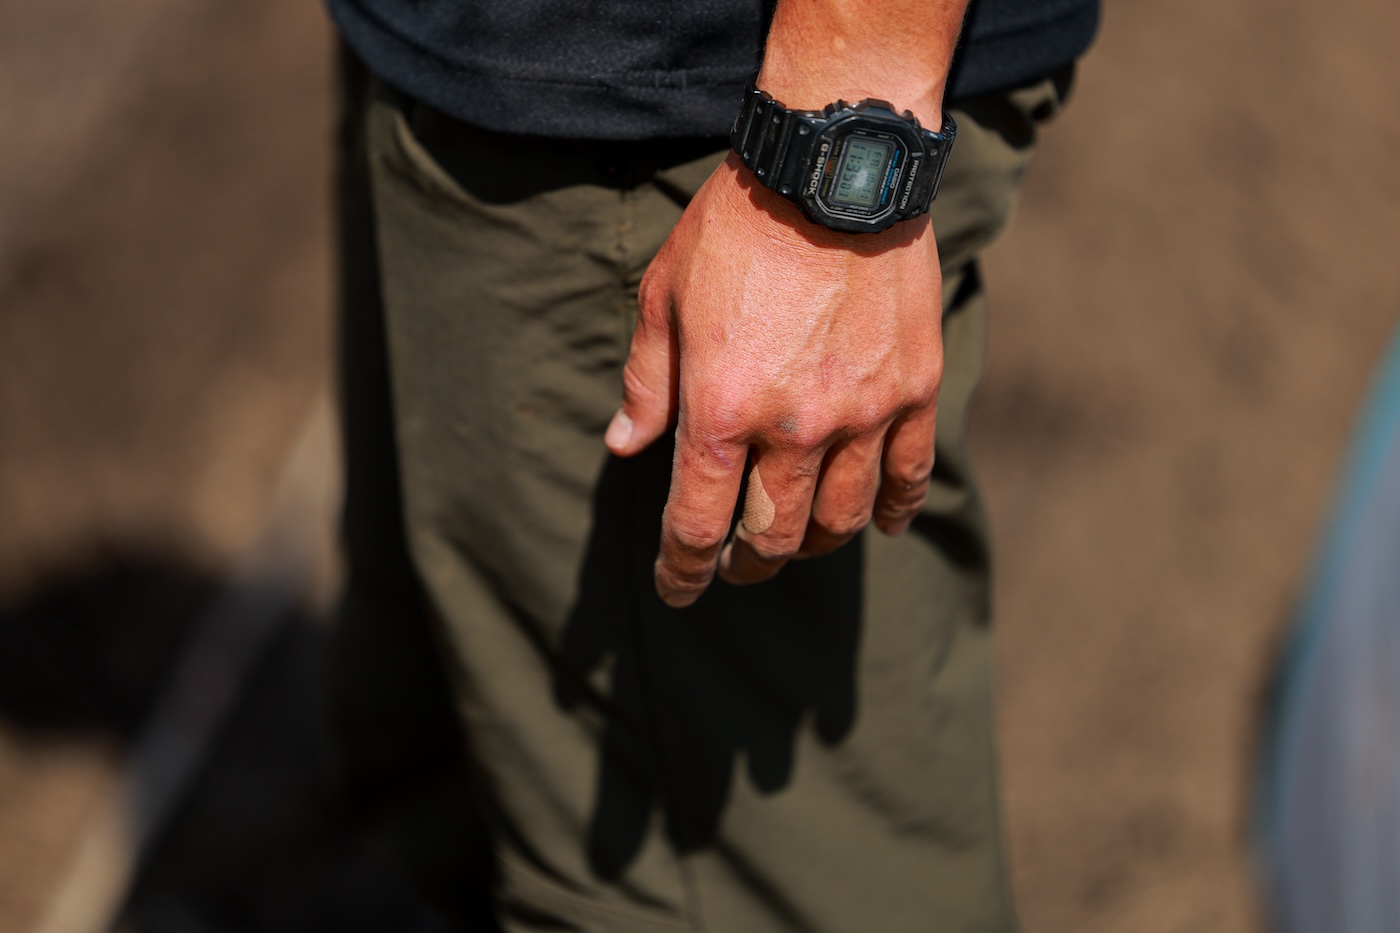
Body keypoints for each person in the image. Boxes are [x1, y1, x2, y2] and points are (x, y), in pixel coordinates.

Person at [323, 1, 1098, 930]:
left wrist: (834, 144)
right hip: (485, 69)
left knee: (751, 884)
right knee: (448, 769)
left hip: (709, 140)